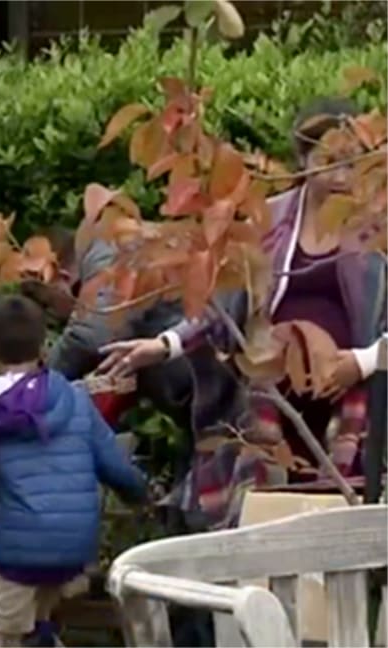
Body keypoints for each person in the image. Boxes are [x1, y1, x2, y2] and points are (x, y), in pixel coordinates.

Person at [98, 97, 387, 525]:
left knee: (341, 519)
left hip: (351, 401)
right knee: (264, 518)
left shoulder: (379, 225)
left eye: (352, 161)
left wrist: (360, 363)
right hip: (268, 398)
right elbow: (224, 305)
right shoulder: (268, 219)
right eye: (328, 161)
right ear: (303, 161)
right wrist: (166, 344)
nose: (341, 176)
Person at [0, 294, 148, 648]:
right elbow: (115, 468)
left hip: (19, 549)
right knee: (38, 617)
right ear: (45, 343)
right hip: (75, 545)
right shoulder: (75, 399)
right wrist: (142, 495)